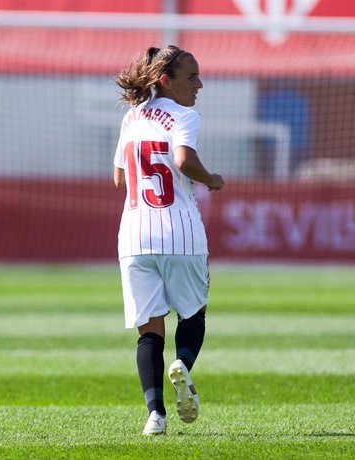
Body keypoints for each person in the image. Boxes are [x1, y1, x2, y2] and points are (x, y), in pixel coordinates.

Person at [113, 45, 224, 436]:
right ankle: (183, 363)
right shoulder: (184, 115)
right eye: (191, 77)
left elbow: (119, 179)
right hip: (179, 231)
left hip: (134, 235)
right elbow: (182, 160)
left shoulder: (132, 116)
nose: (199, 84)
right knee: (193, 314)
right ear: (166, 81)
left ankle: (155, 416)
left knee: (148, 329)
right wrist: (211, 179)